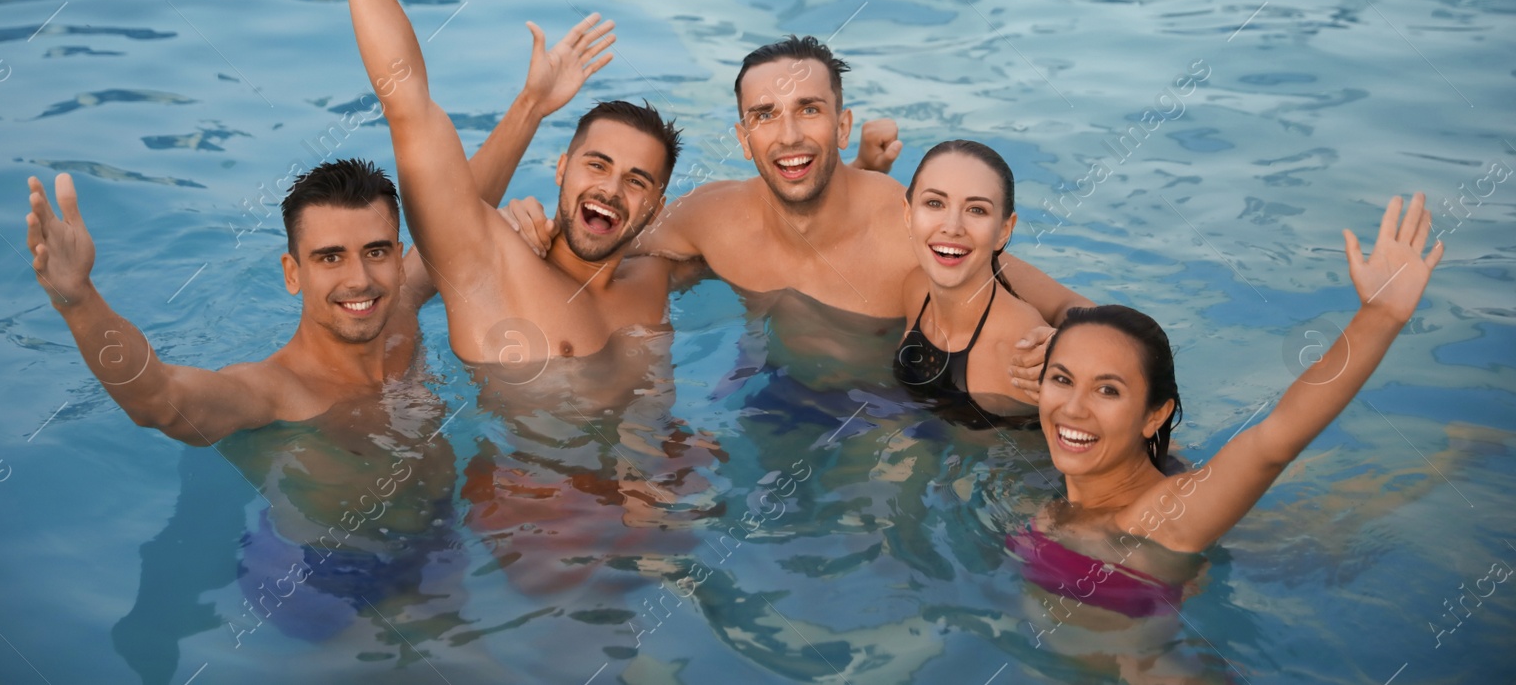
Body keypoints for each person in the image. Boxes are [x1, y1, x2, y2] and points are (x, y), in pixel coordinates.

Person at [24, 6, 615, 444]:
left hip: (444, 548)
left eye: (376, 251)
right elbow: (160, 401)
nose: (359, 278)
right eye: (329, 257)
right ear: (292, 272)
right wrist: (78, 300)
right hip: (334, 583)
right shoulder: (276, 392)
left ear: (397, 251)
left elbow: (456, 213)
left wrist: (530, 106)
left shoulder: (399, 312)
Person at [504, 35, 1089, 380]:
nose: (786, 136)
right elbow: (601, 238)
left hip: (888, 406)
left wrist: (1057, 352)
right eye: (764, 116)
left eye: (809, 110)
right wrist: (526, 229)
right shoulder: (710, 219)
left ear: (841, 123)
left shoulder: (909, 228)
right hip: (772, 392)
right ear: (742, 138)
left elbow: (1069, 306)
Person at [313, 0, 687, 365]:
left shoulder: (657, 280)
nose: (610, 188)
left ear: (658, 205)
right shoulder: (491, 265)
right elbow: (407, 105)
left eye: (637, 180)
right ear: (562, 169)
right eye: (596, 164)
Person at [1013, 192, 1445, 630]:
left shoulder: (1158, 519)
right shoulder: (1065, 501)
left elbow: (1272, 442)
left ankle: (1452, 460)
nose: (1073, 408)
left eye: (1107, 390)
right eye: (1062, 380)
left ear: (1154, 415)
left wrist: (1382, 315)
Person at [896, 140, 1055, 427]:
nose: (952, 227)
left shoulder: (1021, 351)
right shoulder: (916, 289)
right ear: (908, 215)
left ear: (1004, 231)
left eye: (976, 210)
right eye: (935, 203)